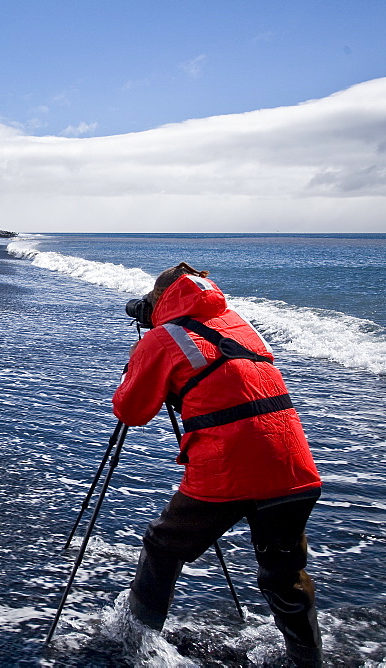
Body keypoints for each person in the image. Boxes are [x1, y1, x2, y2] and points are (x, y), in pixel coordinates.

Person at [112, 262, 323, 666]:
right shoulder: (239, 324)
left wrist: (138, 360)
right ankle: (307, 658)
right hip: (292, 465)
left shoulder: (163, 338)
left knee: (163, 544)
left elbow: (132, 410)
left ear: (160, 302)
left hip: (227, 469)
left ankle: (133, 641)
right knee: (283, 572)